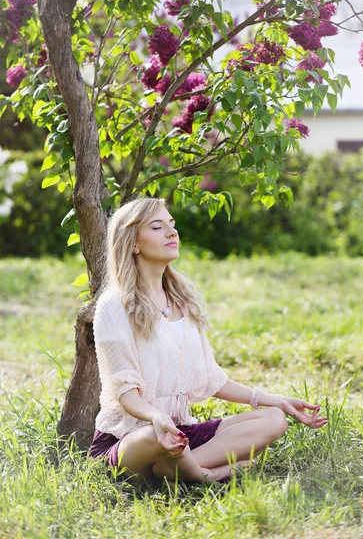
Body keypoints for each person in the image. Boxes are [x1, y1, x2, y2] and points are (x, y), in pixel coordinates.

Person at [88, 197, 327, 484]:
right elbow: (126, 394)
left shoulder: (182, 301)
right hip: (131, 439)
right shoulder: (114, 306)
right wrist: (158, 419)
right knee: (154, 436)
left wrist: (274, 399)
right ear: (133, 243)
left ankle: (174, 470)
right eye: (157, 226)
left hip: (179, 436)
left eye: (171, 225)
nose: (172, 232)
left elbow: (211, 380)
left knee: (274, 418)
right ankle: (204, 474)